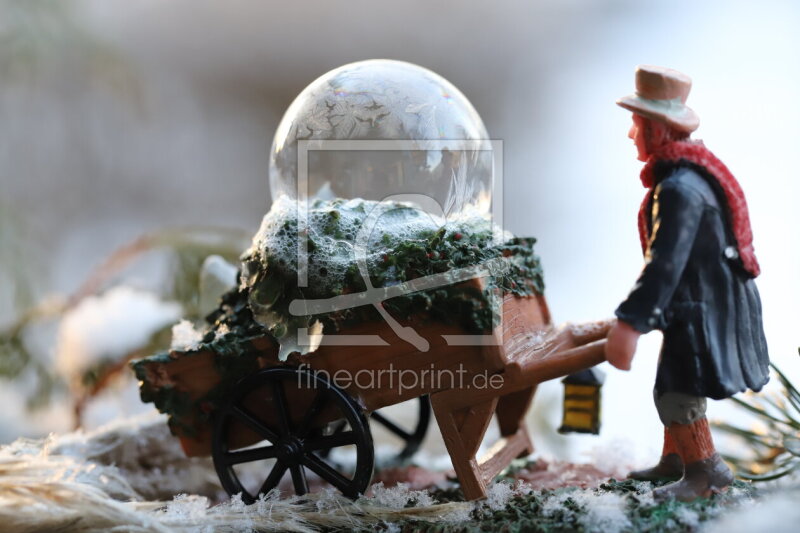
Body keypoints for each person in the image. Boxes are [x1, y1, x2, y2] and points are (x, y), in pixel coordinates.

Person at [605, 65, 770, 501]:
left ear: (657, 130)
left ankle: (706, 472)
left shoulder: (679, 188)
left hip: (703, 304)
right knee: (674, 384)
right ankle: (677, 460)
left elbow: (665, 264)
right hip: (698, 300)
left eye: (636, 124)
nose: (630, 135)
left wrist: (630, 323)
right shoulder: (688, 176)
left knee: (677, 392)